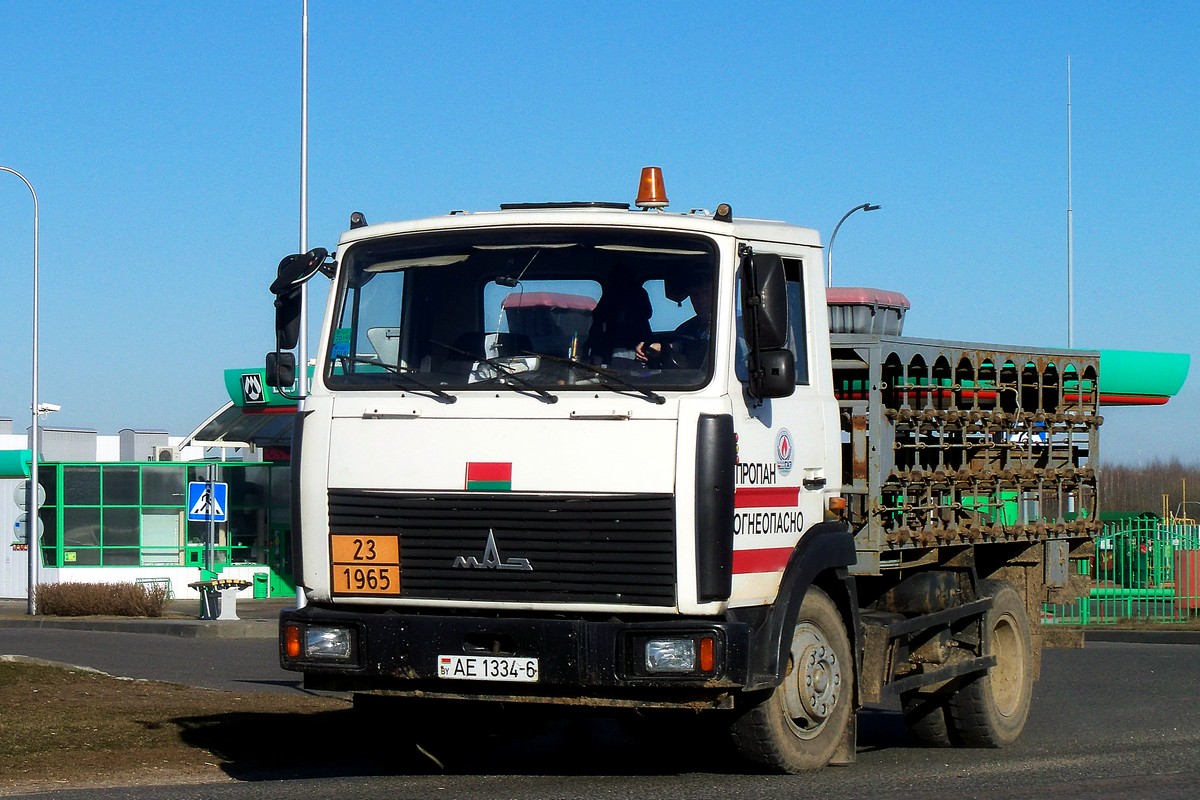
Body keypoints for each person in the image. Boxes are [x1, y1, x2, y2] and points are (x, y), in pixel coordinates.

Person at [635, 275, 713, 367]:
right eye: (695, 295)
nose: (701, 300)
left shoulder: (730, 326)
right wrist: (655, 347)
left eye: (707, 293)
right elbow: (676, 344)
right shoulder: (688, 327)